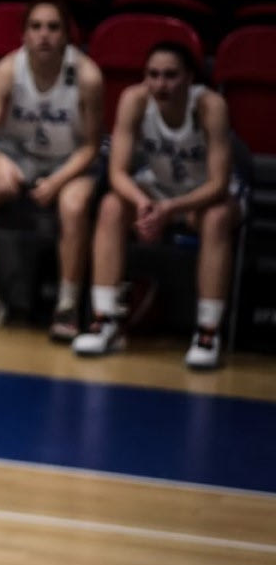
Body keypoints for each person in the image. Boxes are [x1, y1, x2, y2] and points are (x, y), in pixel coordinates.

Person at [73, 41, 242, 370]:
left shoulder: (210, 106)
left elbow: (219, 184)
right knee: (111, 207)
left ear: (189, 77)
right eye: (153, 75)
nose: (160, 84)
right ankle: (104, 321)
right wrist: (143, 204)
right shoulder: (134, 100)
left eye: (170, 75)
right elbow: (117, 172)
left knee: (217, 218)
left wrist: (170, 209)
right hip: (158, 188)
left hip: (204, 194)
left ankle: (208, 333)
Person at [0, 0, 103, 341]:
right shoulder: (7, 71)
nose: (44, 35)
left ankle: (67, 308)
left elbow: (92, 146)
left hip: (70, 159)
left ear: (67, 36)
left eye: (53, 27)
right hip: (18, 155)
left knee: (74, 205)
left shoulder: (87, 76)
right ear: (24, 34)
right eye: (36, 27)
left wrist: (57, 181)